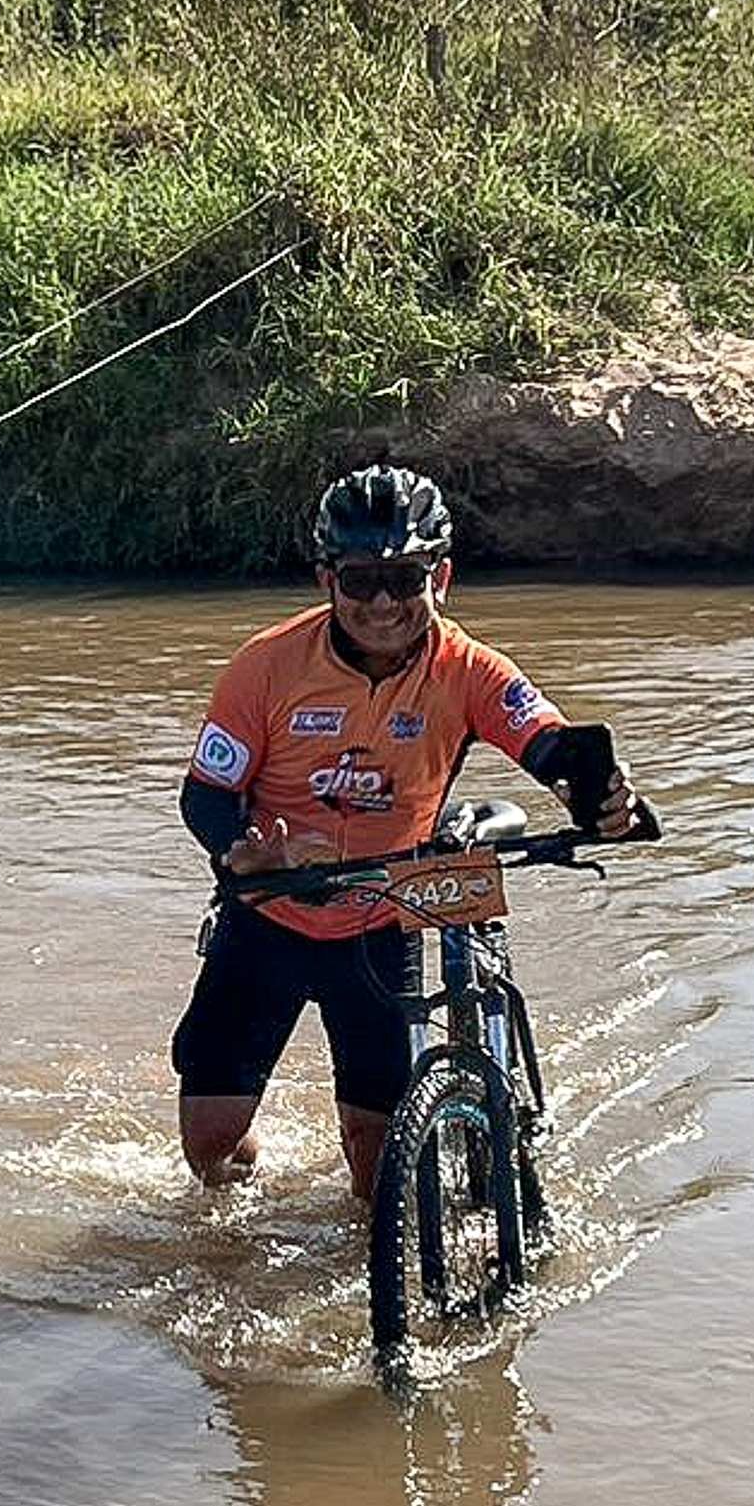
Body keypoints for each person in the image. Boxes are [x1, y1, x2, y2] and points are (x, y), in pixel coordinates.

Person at [172, 461, 644, 1199]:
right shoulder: (263, 666)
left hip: (383, 919)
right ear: (327, 580)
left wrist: (602, 797)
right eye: (361, 581)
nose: (383, 603)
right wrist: (243, 853)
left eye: (404, 578)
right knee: (211, 1151)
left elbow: (546, 741)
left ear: (441, 577)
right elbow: (205, 794)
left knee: (377, 1176)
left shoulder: (471, 670)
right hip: (268, 916)